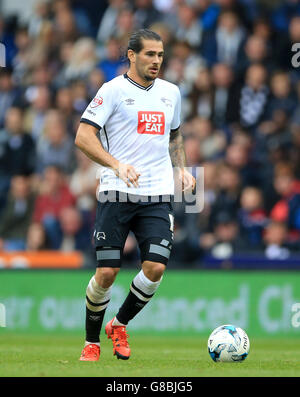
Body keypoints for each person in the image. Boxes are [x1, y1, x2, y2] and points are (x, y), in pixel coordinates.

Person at [75, 29, 195, 361]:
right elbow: (83, 136)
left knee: (155, 267)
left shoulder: (172, 93)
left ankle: (119, 324)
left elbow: (175, 137)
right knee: (107, 273)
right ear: (131, 55)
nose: (157, 61)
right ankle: (91, 340)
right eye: (149, 54)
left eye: (160, 55)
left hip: (157, 191)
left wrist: (182, 168)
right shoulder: (112, 91)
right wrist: (116, 164)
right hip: (116, 191)